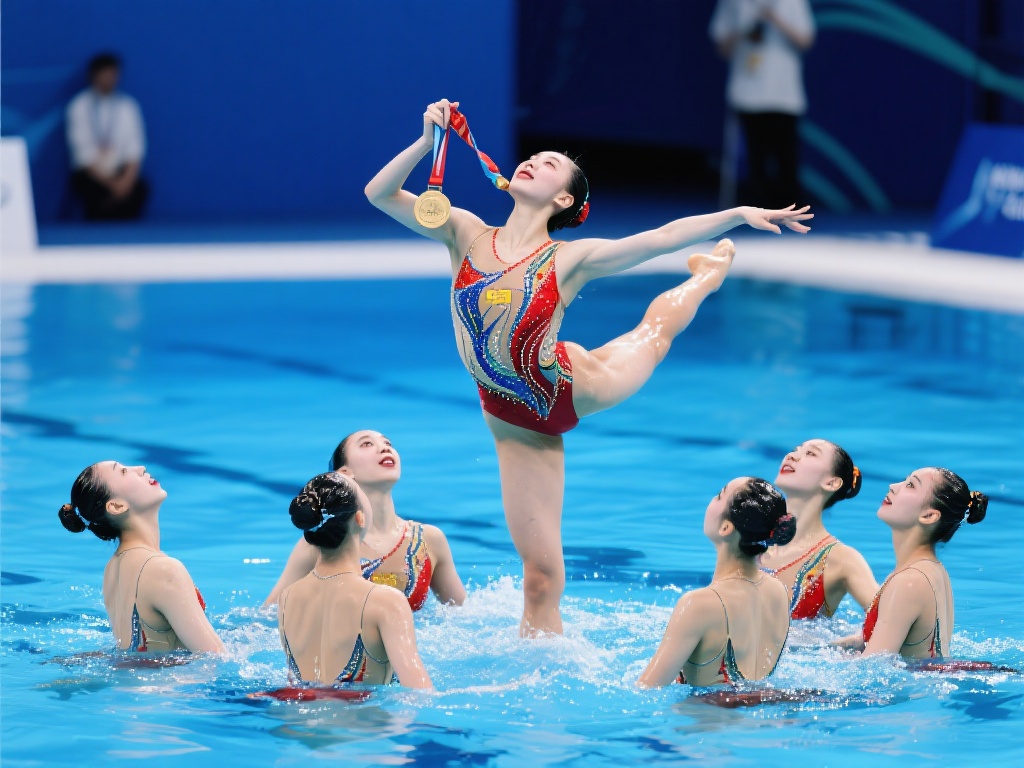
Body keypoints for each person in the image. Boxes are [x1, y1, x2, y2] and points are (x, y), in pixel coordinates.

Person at [365, 98, 812, 635]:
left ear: (563, 199)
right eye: (532, 157)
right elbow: (379, 194)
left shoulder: (569, 259)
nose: (534, 161)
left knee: (652, 334)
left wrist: (738, 214)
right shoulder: (463, 231)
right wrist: (425, 141)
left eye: (550, 164)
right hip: (512, 422)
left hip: (571, 389)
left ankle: (706, 277)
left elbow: (660, 239)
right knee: (540, 579)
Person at [264, 430, 466, 609]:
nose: (385, 448)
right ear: (344, 473)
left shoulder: (429, 540)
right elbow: (272, 613)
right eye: (367, 444)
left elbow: (463, 614)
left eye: (388, 443)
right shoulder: (324, 541)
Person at [637, 477, 794, 688]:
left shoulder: (699, 605)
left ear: (726, 527)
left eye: (720, 495)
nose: (712, 499)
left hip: (701, 711)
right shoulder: (779, 591)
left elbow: (646, 688)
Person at [279, 472, 432, 688]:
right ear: (360, 518)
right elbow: (420, 693)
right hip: (366, 711)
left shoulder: (287, 598)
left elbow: (298, 687)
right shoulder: (386, 602)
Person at [58, 462, 223, 654]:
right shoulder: (163, 570)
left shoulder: (113, 568)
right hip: (172, 674)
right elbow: (216, 658)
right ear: (117, 506)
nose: (140, 468)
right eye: (123, 471)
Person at [837, 468, 987, 659]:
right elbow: (874, 640)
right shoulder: (931, 570)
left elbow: (873, 664)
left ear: (929, 516)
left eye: (910, 485)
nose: (893, 486)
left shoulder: (909, 581)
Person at [710, 0, 815, 208]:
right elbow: (722, 47)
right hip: (748, 95)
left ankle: (792, 213)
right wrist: (746, 27)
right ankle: (757, 212)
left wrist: (773, 18)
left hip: (784, 97)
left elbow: (805, 41)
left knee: (786, 160)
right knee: (756, 161)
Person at [760, 439, 879, 619]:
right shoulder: (750, 540)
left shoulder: (842, 559)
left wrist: (850, 637)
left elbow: (887, 618)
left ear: (832, 483)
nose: (792, 456)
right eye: (795, 449)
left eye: (810, 453)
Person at [66, 52, 149, 220]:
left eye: (113, 74)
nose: (110, 79)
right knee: (91, 190)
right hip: (92, 173)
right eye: (105, 74)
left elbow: (135, 148)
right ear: (93, 75)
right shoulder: (79, 106)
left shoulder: (128, 106)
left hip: (120, 170)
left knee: (139, 189)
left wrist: (125, 182)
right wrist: (111, 184)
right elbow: (81, 153)